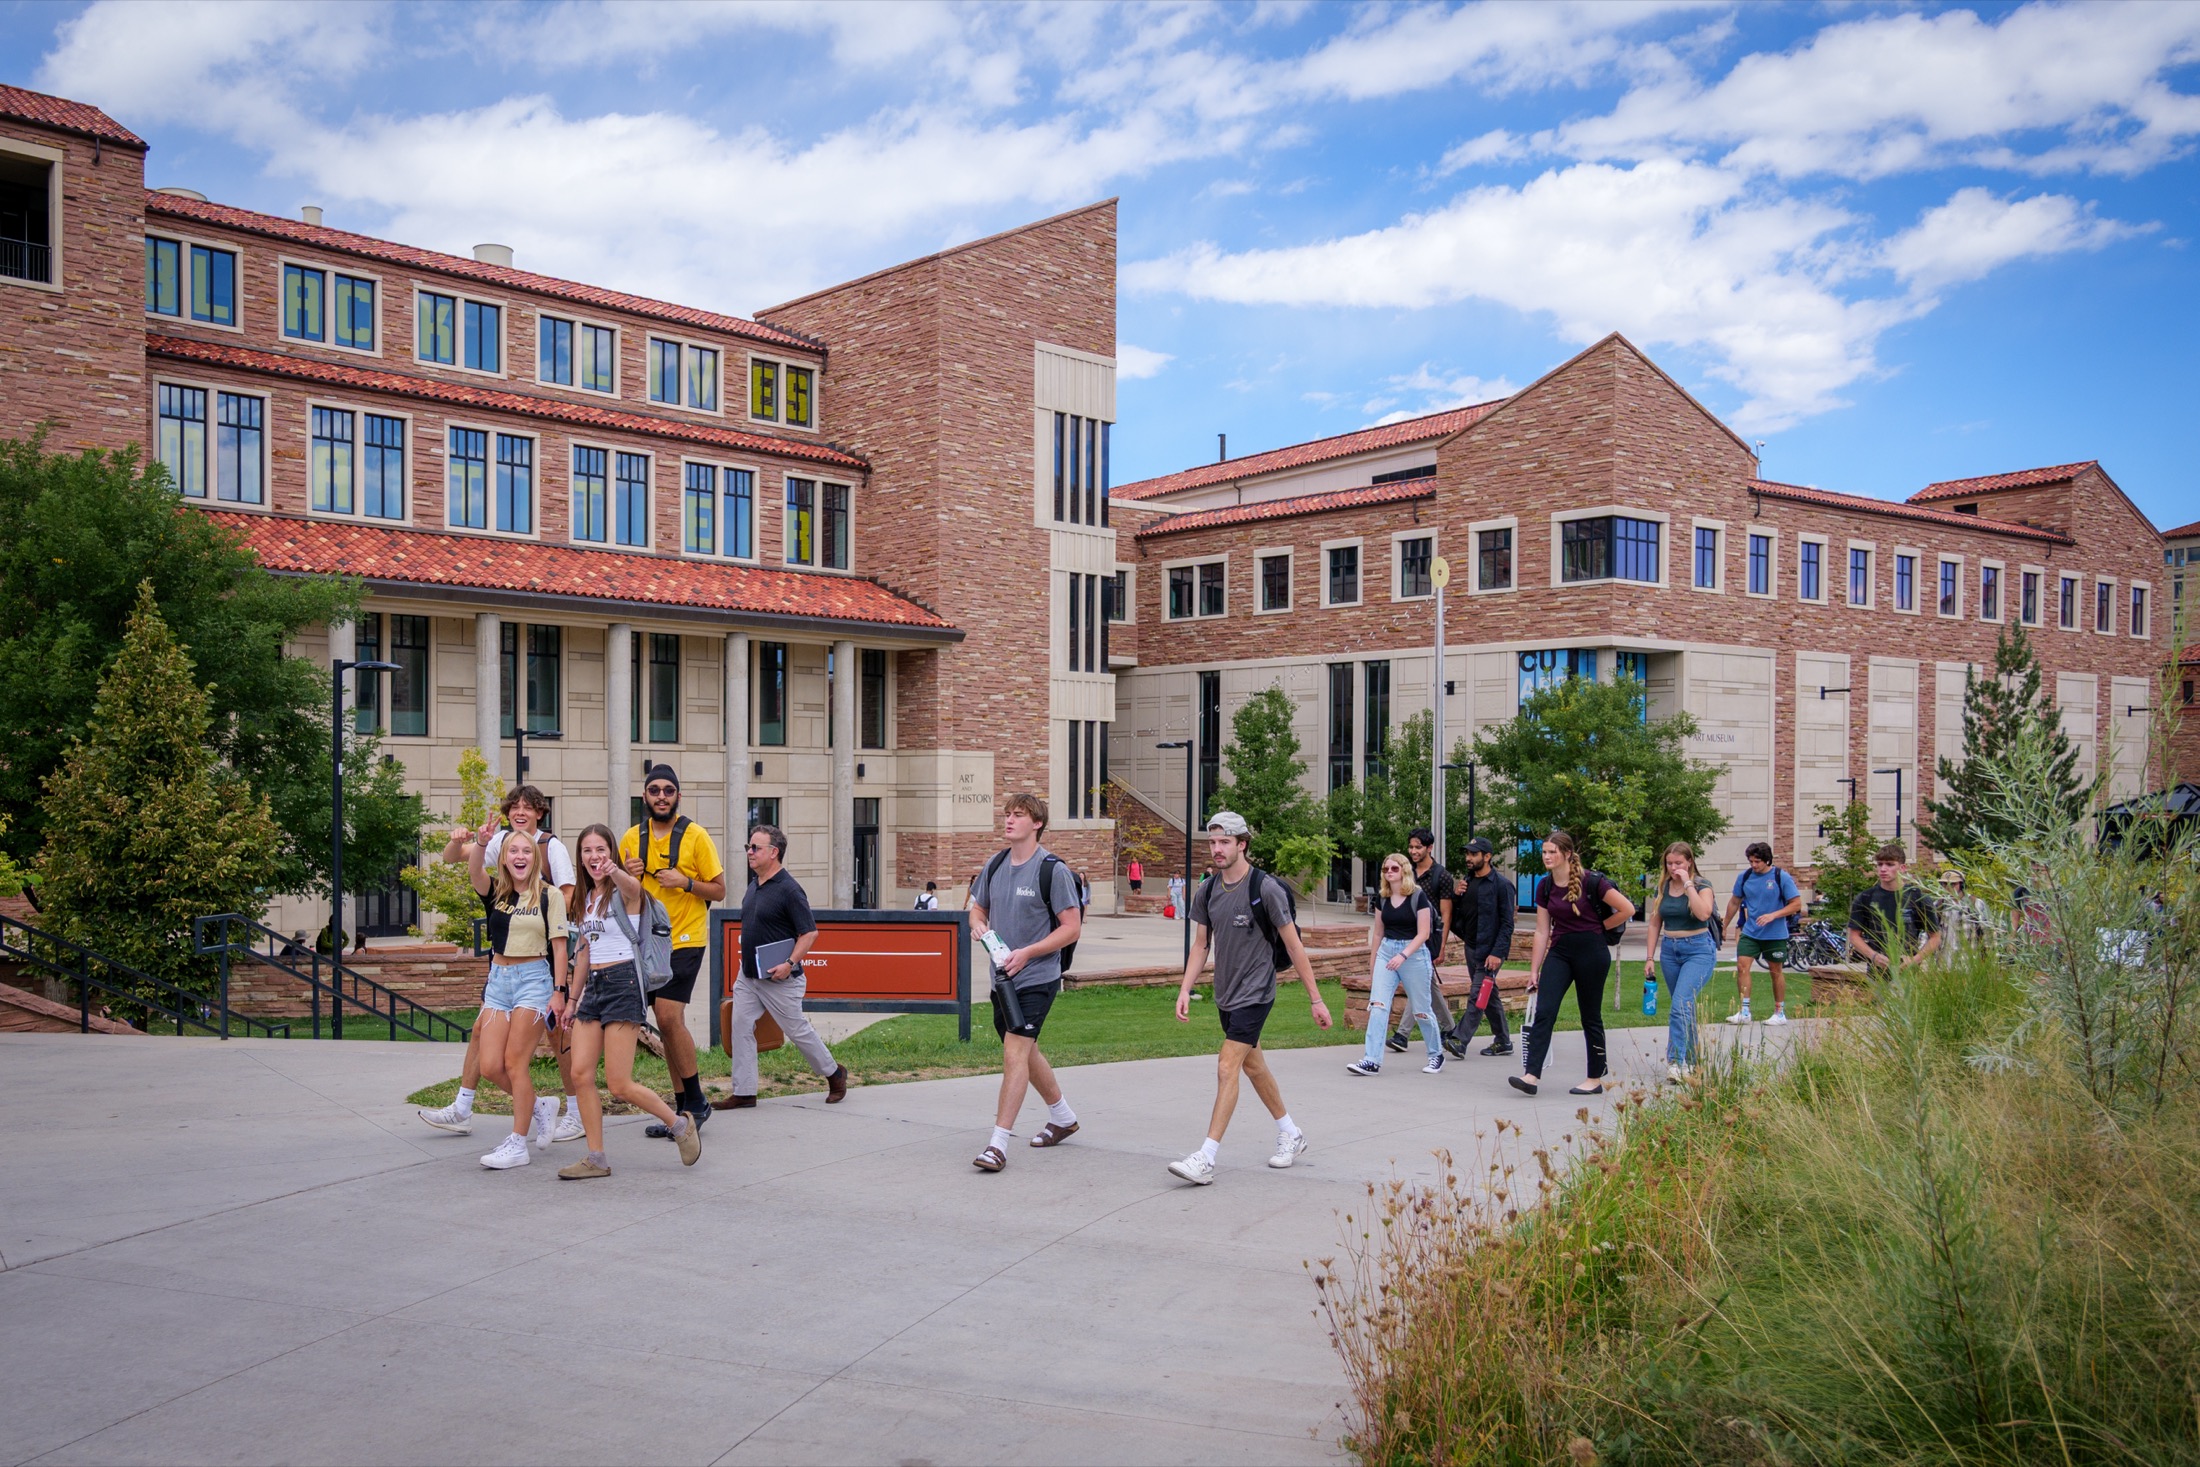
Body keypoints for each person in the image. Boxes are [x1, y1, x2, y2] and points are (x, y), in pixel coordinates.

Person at [1167, 811, 1333, 1184]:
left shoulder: (1266, 889)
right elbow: (1200, 945)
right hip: (1226, 993)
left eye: (1224, 842)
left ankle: (1206, 1157)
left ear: (1242, 844)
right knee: (1253, 1066)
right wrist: (1184, 988)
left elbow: (1295, 946)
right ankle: (1291, 1133)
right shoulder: (1207, 890)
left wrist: (1316, 999)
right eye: (1212, 842)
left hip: (1257, 992)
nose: (1217, 849)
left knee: (1227, 1066)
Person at [419, 786, 582, 1139]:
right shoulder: (501, 845)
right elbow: (458, 859)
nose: (520, 812)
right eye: (515, 807)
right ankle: (469, 1106)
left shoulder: (549, 848)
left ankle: (574, 1111)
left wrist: (540, 911)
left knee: (554, 1039)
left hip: (541, 962)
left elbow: (568, 894)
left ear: (540, 812)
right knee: (486, 1039)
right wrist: (470, 840)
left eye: (528, 807)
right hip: (502, 969)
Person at [554, 824, 699, 1176]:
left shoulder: (624, 891)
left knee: (619, 1084)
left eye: (601, 849)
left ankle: (680, 1125)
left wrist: (615, 870)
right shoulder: (584, 901)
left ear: (611, 852)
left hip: (624, 981)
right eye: (587, 851)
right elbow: (584, 953)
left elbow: (635, 888)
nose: (594, 857)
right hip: (594, 989)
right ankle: (596, 1158)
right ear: (580, 857)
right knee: (580, 1073)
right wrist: (572, 999)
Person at [968, 793, 1083, 1171]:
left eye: (1018, 815)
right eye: (1007, 814)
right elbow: (978, 907)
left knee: (1015, 1053)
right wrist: (978, 925)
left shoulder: (1052, 870)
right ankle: (1063, 1117)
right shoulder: (996, 863)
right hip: (1002, 979)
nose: (1009, 820)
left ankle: (997, 1145)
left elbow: (1071, 928)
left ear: (1037, 823)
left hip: (1037, 977)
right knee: (1027, 1052)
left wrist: (1029, 952)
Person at [619, 765, 726, 1141]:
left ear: (677, 796)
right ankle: (682, 1110)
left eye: (668, 790)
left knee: (667, 1015)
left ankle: (696, 1101)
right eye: (654, 790)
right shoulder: (632, 837)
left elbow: (720, 890)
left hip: (684, 938)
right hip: (647, 943)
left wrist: (687, 882)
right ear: (644, 796)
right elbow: (624, 895)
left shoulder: (696, 836)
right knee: (663, 1023)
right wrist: (627, 875)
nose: (661, 796)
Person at [467, 825, 569, 1169]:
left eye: (526, 851)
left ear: (535, 857)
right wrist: (481, 843)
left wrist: (559, 991)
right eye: (514, 851)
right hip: (498, 981)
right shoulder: (495, 891)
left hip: (533, 981)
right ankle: (540, 1106)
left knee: (514, 1062)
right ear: (505, 858)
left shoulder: (549, 895)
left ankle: (517, 1144)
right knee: (490, 1065)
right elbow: (474, 871)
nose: (520, 856)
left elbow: (559, 945)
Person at [725, 823, 848, 1108]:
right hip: (749, 976)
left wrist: (789, 963)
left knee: (797, 1030)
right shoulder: (754, 885)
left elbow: (810, 933)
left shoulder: (791, 890)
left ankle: (834, 1073)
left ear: (774, 852)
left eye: (755, 847)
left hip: (781, 979)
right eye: (748, 847)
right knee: (740, 1025)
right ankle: (744, 1092)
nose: (749, 852)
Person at [1511, 829, 1636, 1097]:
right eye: (1544, 851)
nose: (1547, 856)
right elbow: (1542, 931)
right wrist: (1534, 970)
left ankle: (1594, 1078)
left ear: (1567, 853)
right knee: (1545, 1011)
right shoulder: (1544, 886)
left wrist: (1600, 928)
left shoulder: (1592, 881)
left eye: (1552, 852)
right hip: (1560, 952)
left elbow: (1628, 909)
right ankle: (1531, 1075)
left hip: (1592, 952)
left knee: (1590, 1016)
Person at [1346, 853, 1441, 1075]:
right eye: (1386, 869)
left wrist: (1404, 955)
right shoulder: (1383, 897)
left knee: (1421, 1010)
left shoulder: (1418, 896)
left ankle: (1436, 1054)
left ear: (1404, 870)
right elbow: (1378, 934)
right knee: (1378, 1006)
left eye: (1394, 869)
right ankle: (1371, 1060)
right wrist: (1373, 965)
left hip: (1414, 954)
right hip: (1386, 951)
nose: (1389, 872)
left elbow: (1424, 933)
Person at [1643, 841, 1717, 1084]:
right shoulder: (1663, 887)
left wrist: (1687, 884)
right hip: (1670, 951)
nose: (1673, 867)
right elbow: (1655, 922)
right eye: (1669, 863)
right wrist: (1650, 957)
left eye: (1678, 863)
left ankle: (1676, 1062)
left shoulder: (1702, 885)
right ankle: (1693, 1063)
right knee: (1685, 1009)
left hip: (1698, 950)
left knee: (1680, 1005)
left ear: (1689, 862)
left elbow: (1703, 913)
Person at [1443, 837, 1516, 1058]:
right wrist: (1456, 897)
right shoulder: (1467, 883)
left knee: (1478, 994)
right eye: (1467, 854)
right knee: (1489, 995)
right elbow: (1459, 916)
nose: (1468, 858)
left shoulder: (1502, 886)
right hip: (1472, 948)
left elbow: (1507, 924)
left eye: (1474, 854)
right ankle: (1503, 1041)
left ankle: (1460, 1039)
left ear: (1487, 857)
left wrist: (1497, 953)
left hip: (1491, 951)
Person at [1386, 828, 1455, 1052]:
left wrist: (1442, 947)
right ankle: (1450, 1028)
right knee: (1426, 985)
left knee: (1419, 985)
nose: (1413, 851)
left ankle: (1402, 1035)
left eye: (1418, 847)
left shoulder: (1441, 876)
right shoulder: (1407, 872)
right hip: (1406, 935)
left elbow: (1446, 914)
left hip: (1427, 937)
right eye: (1411, 847)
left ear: (1429, 848)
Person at [1722, 841, 1803, 1027]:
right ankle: (1744, 1011)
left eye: (1757, 861)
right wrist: (1725, 924)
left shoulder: (1780, 876)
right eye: (1751, 861)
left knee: (1776, 972)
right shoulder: (1745, 877)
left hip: (1775, 934)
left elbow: (1796, 904)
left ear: (1767, 860)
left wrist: (1773, 915)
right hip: (1751, 932)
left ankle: (1779, 1012)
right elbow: (1734, 902)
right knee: (1742, 966)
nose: (1753, 865)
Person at [1847, 844, 1942, 969]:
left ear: (1902, 868)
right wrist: (1873, 956)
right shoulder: (1865, 897)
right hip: (1877, 971)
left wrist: (1915, 959)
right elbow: (1854, 936)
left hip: (1908, 972)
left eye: (1890, 864)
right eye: (1880, 864)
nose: (1883, 869)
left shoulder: (1917, 897)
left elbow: (1935, 937)